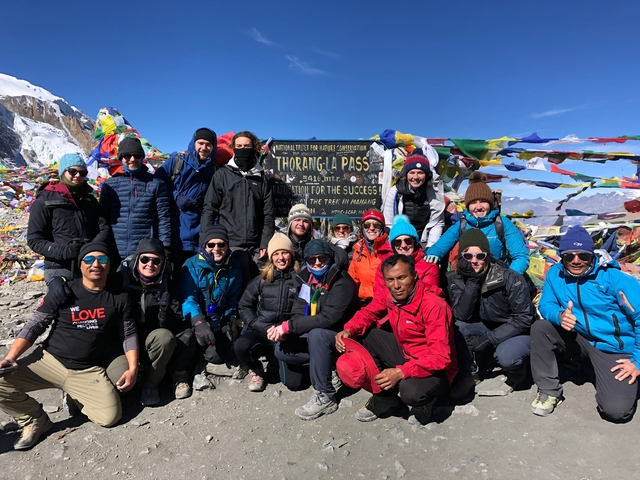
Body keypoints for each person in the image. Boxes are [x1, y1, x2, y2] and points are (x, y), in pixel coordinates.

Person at [0, 241, 138, 451]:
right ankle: (34, 420)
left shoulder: (120, 298)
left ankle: (74, 394)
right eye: (89, 259)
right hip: (49, 361)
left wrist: (133, 368)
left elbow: (128, 333)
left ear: (110, 265)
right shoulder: (65, 291)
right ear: (80, 265)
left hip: (87, 369)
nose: (96, 264)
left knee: (110, 417)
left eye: (102, 259)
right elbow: (35, 325)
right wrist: (12, 356)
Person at [531, 226, 640, 422]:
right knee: (541, 328)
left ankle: (598, 372)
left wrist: (638, 361)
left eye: (583, 255)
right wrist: (559, 315)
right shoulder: (556, 274)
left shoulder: (613, 278)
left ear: (592, 256)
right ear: (561, 256)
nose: (576, 260)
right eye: (569, 256)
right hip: (581, 338)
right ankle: (548, 390)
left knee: (616, 411)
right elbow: (546, 304)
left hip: (614, 348)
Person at [335, 255, 457, 424]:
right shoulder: (390, 295)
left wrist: (401, 372)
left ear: (414, 276)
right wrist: (349, 329)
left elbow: (440, 358)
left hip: (435, 369)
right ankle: (385, 397)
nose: (396, 285)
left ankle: (427, 402)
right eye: (390, 280)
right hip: (407, 353)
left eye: (402, 277)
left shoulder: (433, 305)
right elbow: (368, 312)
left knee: (409, 391)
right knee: (365, 334)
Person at [269, 239, 359, 420]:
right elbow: (298, 310)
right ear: (306, 262)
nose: (317, 263)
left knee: (318, 335)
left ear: (330, 258)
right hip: (317, 335)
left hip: (342, 337)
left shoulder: (342, 282)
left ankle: (326, 395)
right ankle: (328, 367)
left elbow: (329, 319)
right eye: (312, 260)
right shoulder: (307, 280)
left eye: (322, 258)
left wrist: (288, 326)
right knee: (281, 349)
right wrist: (288, 332)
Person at [446, 229, 533, 397]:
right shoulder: (457, 279)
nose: (474, 261)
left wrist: (488, 339)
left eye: (480, 256)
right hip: (487, 326)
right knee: (457, 327)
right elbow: (461, 315)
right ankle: (470, 374)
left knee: (507, 356)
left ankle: (518, 371)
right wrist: (473, 282)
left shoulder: (509, 277)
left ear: (487, 255)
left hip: (517, 331)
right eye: (468, 256)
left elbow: (523, 319)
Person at [120, 238, 195, 405]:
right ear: (136, 259)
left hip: (155, 338)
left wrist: (165, 315)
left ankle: (151, 384)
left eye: (156, 261)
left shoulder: (168, 283)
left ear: (163, 263)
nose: (150, 264)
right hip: (127, 338)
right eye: (145, 259)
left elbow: (174, 325)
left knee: (174, 336)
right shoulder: (122, 280)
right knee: (116, 385)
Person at [200, 131, 274, 290]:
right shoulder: (222, 175)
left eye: (246, 146)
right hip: (230, 245)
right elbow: (209, 210)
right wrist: (206, 241)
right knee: (233, 289)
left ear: (253, 148)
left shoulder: (261, 178)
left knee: (258, 289)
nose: (242, 149)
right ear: (233, 148)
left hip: (257, 247)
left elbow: (268, 214)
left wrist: (265, 242)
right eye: (239, 146)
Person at [425, 172, 529, 275]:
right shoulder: (462, 225)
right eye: (474, 202)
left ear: (490, 203)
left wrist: (508, 279)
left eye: (483, 201)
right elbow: (439, 247)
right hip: (470, 278)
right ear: (468, 206)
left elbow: (521, 257)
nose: (478, 207)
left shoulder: (502, 224)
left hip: (498, 278)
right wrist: (433, 254)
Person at [27, 153, 110, 283]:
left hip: (90, 263)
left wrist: (92, 248)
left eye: (82, 173)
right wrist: (64, 251)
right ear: (63, 172)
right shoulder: (44, 201)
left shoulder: (90, 200)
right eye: (73, 171)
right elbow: (34, 239)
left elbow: (103, 228)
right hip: (59, 267)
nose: (77, 175)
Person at [235, 233, 299, 392]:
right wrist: (260, 325)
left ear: (291, 255)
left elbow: (305, 311)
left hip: (287, 334)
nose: (281, 258)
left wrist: (287, 329)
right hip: (263, 331)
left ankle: (275, 363)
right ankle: (256, 369)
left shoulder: (300, 280)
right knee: (240, 346)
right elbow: (244, 306)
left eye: (284, 252)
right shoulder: (261, 280)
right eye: (276, 254)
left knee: (293, 383)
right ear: (271, 257)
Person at [100, 137, 172, 262]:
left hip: (145, 252)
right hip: (114, 250)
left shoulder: (156, 184)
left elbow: (164, 218)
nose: (132, 159)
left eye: (137, 155)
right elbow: (102, 219)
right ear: (121, 158)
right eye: (127, 156)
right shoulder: (110, 185)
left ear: (142, 157)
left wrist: (164, 246)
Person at [155, 128, 218, 269]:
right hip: (173, 230)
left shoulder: (214, 170)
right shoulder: (177, 161)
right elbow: (156, 185)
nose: (204, 148)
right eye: (200, 143)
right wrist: (176, 196)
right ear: (193, 143)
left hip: (198, 234)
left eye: (209, 144)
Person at [181, 225, 242, 365]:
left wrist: (228, 319)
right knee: (187, 339)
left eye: (221, 244)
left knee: (217, 356)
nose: (216, 248)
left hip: (217, 319)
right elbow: (187, 297)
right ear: (205, 245)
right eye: (211, 244)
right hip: (194, 318)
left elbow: (232, 299)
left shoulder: (234, 267)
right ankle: (182, 372)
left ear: (227, 246)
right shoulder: (191, 264)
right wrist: (198, 320)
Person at [382, 152, 445, 248]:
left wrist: (431, 247)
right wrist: (397, 245)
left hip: (425, 239)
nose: (415, 177)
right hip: (402, 240)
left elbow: (437, 223)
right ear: (406, 174)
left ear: (427, 175)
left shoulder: (434, 193)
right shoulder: (395, 192)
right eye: (412, 172)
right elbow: (389, 223)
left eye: (420, 173)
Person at [286, 203, 349, 269]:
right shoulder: (281, 247)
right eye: (297, 220)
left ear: (310, 225)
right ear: (290, 223)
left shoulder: (318, 246)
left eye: (305, 221)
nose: (301, 224)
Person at [348, 210, 389, 305]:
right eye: (367, 225)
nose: (371, 228)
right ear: (362, 228)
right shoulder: (358, 250)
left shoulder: (390, 249)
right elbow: (351, 280)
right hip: (363, 303)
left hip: (385, 304)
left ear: (382, 227)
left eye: (376, 225)